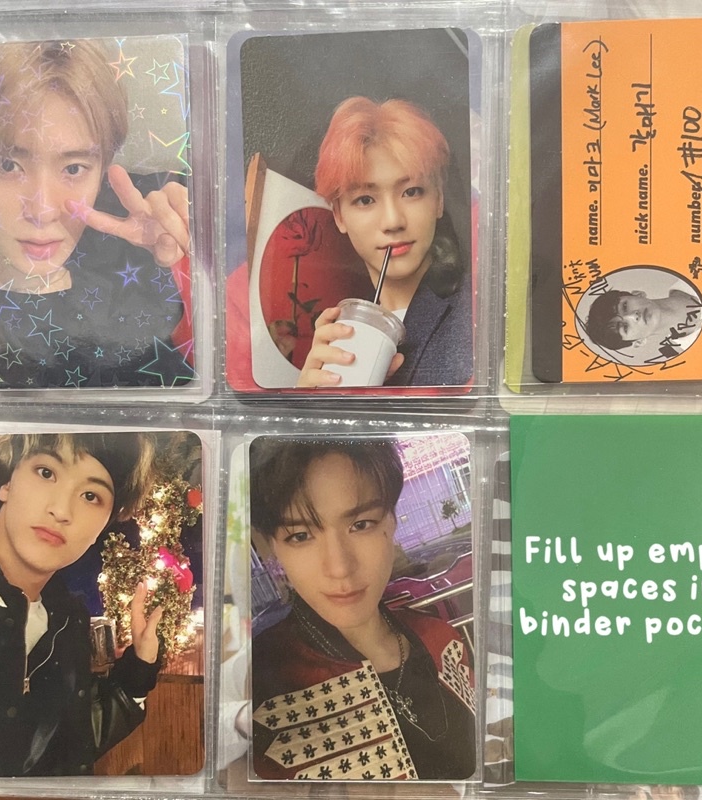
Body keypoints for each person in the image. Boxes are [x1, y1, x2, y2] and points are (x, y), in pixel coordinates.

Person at [250, 438, 476, 781]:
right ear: (273, 548)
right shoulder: (258, 680)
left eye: (361, 524)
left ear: (391, 521)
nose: (340, 567)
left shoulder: (441, 638)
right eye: (300, 535)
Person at [0, 40, 192, 389]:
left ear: (103, 171)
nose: (42, 211)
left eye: (74, 168)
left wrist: (193, 268)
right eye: (8, 165)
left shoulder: (134, 270)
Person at [0, 432, 163, 776]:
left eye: (90, 496)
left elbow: (64, 746)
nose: (61, 510)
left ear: (103, 527)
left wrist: (139, 669)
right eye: (46, 473)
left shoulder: (67, 621)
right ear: (7, 482)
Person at [296, 97, 472, 388]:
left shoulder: (476, 311)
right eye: (365, 199)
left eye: (412, 192)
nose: (392, 221)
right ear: (339, 215)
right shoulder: (343, 336)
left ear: (439, 200)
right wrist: (307, 402)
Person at [584, 286, 702, 356]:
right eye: (625, 327)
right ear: (639, 342)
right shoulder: (695, 356)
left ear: (638, 294)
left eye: (625, 306)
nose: (633, 315)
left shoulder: (692, 274)